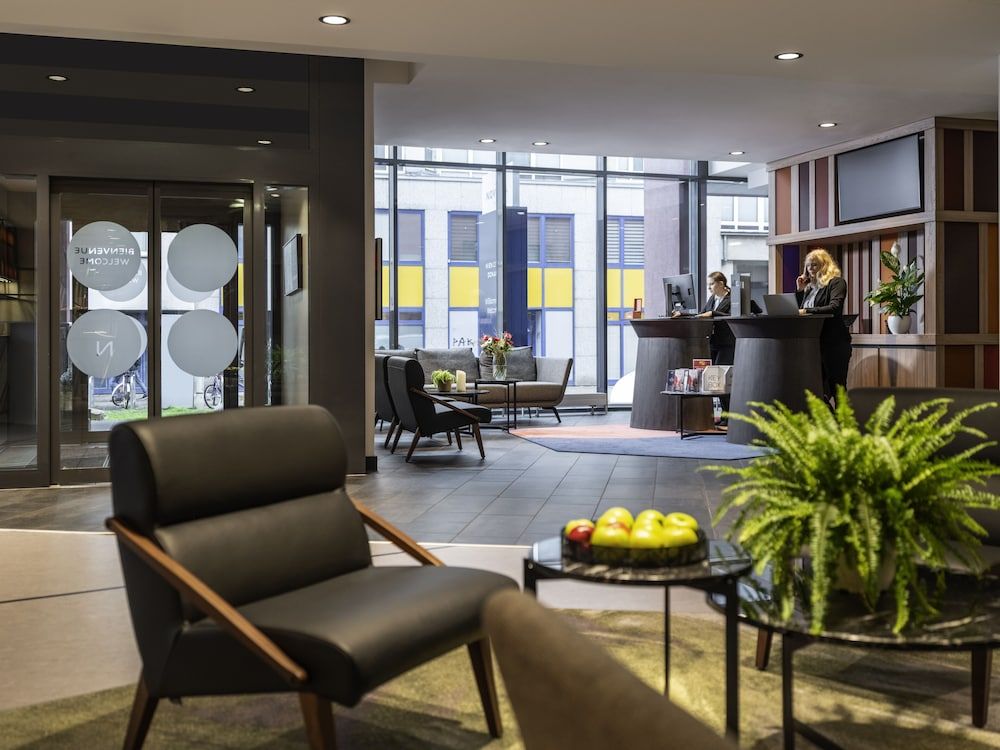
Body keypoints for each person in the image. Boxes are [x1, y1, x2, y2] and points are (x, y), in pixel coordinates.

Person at [672, 271, 733, 422]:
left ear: (721, 283)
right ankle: (724, 415)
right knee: (714, 380)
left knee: (721, 379)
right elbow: (701, 314)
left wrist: (713, 313)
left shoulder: (732, 298)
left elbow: (732, 316)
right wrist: (683, 314)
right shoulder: (713, 299)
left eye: (711, 284)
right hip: (713, 342)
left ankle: (729, 416)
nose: (709, 288)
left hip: (727, 344)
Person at [795, 248, 852, 402]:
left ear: (824, 265)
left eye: (814, 265)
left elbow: (834, 307)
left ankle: (843, 417)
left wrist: (807, 310)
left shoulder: (837, 282)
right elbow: (798, 311)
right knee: (814, 389)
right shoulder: (809, 288)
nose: (810, 269)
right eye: (808, 266)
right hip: (812, 344)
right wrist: (800, 291)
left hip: (833, 343)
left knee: (837, 388)